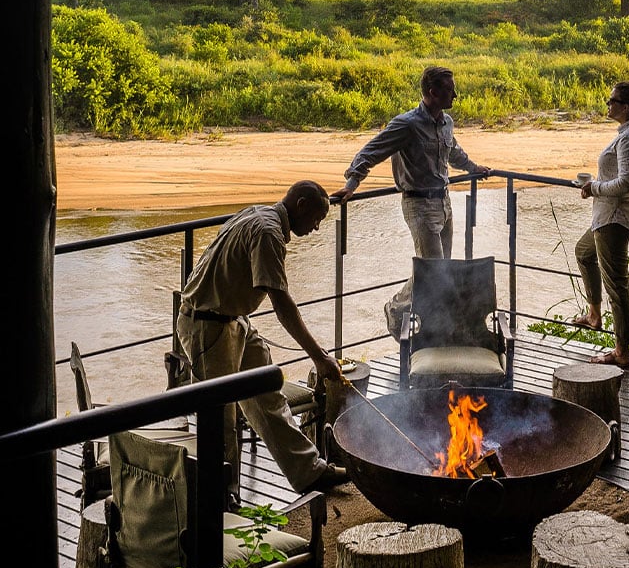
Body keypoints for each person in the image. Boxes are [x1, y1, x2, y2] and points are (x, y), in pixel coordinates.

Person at [173, 179, 349, 495]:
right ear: (301, 206)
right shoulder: (268, 232)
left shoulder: (260, 215)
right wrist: (319, 357)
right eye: (317, 219)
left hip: (233, 320)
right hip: (207, 326)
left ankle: (309, 472)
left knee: (268, 395)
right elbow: (282, 303)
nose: (316, 227)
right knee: (222, 422)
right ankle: (223, 500)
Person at [329, 66, 490, 333]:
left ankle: (433, 324)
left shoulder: (447, 123)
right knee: (434, 272)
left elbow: (454, 152)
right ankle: (397, 309)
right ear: (433, 92)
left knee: (441, 269)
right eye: (450, 90)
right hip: (419, 206)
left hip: (444, 203)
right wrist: (351, 185)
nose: (455, 95)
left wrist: (474, 168)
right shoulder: (407, 124)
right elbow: (371, 151)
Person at [570, 81, 629, 369]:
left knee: (617, 287)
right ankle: (594, 315)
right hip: (608, 216)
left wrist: (594, 187)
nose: (607, 104)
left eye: (612, 101)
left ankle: (621, 352)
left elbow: (626, 183)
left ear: (625, 107)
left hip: (615, 219)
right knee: (584, 253)